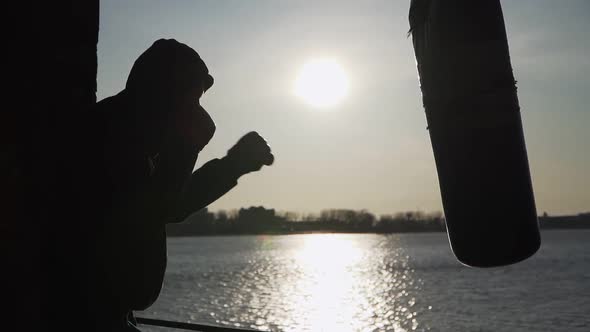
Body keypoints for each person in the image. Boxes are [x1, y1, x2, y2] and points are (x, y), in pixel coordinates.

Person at [90, 39, 274, 331]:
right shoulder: (110, 137)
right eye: (191, 101)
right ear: (163, 94)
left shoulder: (135, 134)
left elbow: (168, 202)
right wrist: (187, 147)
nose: (195, 112)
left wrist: (233, 165)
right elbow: (159, 208)